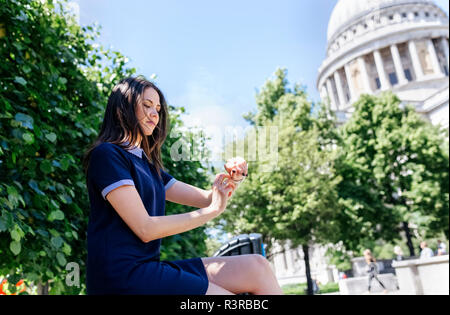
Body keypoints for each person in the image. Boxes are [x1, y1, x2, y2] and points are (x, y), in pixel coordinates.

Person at [82, 76, 284, 295]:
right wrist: (211, 211)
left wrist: (232, 179)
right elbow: (146, 228)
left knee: (257, 267)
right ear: (123, 109)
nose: (154, 114)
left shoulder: (148, 166)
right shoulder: (108, 155)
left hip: (148, 269)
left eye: (158, 109)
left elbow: (208, 197)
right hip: (121, 277)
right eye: (147, 106)